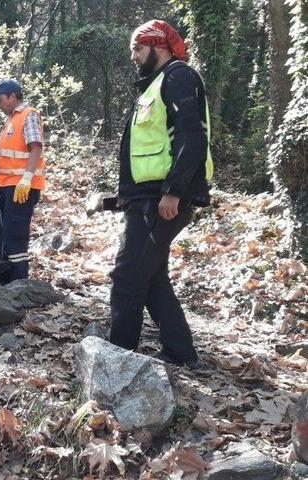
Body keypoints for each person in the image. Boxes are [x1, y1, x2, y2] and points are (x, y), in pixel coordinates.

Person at [108, 20, 214, 370]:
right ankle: (180, 352)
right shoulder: (155, 85)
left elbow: (192, 138)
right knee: (151, 276)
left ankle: (116, 358)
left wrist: (173, 191)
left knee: (127, 276)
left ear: (159, 46)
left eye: (138, 49)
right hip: (147, 198)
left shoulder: (178, 77)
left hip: (163, 199)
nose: (134, 57)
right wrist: (125, 195)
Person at [0, 78, 46, 283]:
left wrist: (26, 179)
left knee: (15, 236)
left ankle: (18, 283)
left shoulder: (28, 115)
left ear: (12, 96)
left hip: (21, 187)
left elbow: (35, 147)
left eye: (0, 99)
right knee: (7, 233)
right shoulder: (12, 118)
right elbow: (14, 149)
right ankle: (8, 281)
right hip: (7, 186)